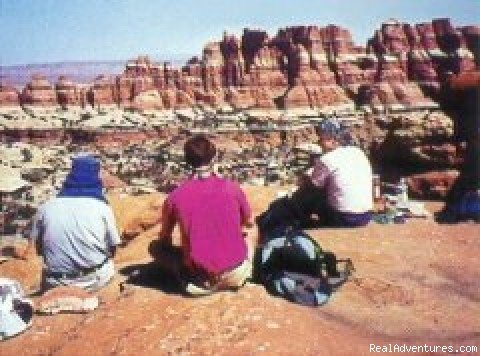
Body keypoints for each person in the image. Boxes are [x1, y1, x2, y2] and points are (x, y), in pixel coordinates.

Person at [150, 135, 253, 295]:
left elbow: (165, 238)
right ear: (213, 158)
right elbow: (249, 222)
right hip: (236, 274)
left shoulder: (175, 197)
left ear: (187, 160)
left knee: (155, 248)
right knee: (249, 234)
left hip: (200, 281)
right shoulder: (232, 188)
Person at [22, 154, 121, 292]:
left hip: (56, 282)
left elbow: (39, 249)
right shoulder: (102, 207)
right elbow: (113, 248)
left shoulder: (46, 207)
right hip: (93, 280)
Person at [257, 118, 373, 234]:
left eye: (322, 138)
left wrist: (304, 179)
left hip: (344, 219)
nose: (319, 141)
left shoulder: (327, 159)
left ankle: (293, 220)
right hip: (365, 217)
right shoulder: (358, 152)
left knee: (309, 195)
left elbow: (311, 188)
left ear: (333, 139)